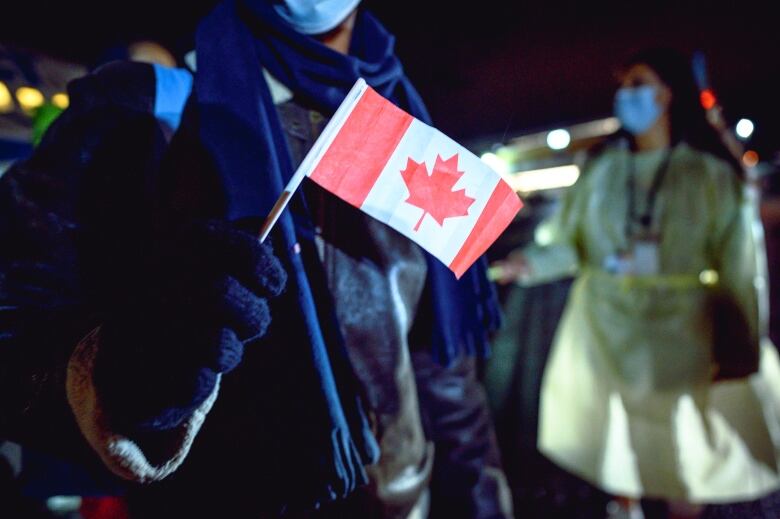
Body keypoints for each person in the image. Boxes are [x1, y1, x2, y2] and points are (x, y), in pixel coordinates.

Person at [0, 1, 513, 518]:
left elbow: (442, 374)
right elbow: (15, 329)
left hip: (399, 501)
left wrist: (483, 503)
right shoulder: (141, 108)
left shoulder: (404, 132)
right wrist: (123, 377)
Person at [492, 48, 780, 518]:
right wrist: (533, 263)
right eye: (623, 85)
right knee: (617, 448)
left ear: (668, 92)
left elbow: (740, 267)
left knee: (680, 458)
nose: (626, 95)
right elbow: (571, 242)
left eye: (638, 82)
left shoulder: (709, 174)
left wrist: (740, 344)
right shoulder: (602, 169)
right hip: (605, 331)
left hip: (682, 337)